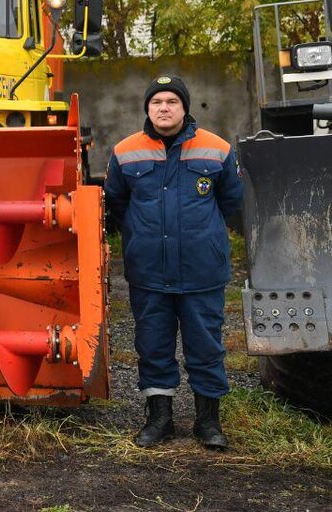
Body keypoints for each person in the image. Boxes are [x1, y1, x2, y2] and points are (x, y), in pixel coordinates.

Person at [104, 75, 243, 450]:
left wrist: (202, 235)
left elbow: (231, 201)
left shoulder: (216, 148)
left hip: (202, 271)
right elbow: (116, 203)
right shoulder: (124, 151)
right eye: (156, 102)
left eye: (172, 101)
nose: (164, 108)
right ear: (147, 108)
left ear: (185, 107)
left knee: (206, 346)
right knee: (153, 345)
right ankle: (159, 420)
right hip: (149, 271)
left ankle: (208, 422)